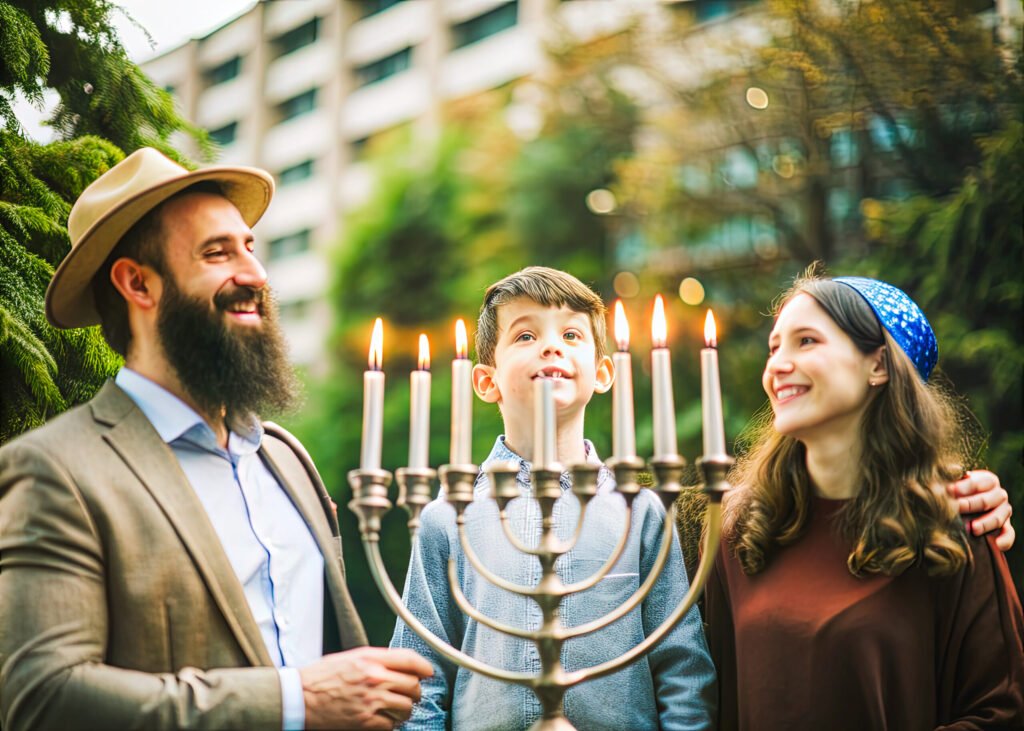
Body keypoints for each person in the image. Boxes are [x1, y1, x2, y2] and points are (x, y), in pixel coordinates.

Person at [0, 148, 432, 731]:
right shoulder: (55, 470)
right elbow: (44, 696)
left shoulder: (285, 457)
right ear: (137, 283)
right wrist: (294, 701)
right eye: (217, 253)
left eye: (249, 248)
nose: (254, 274)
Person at [391, 267, 716, 730]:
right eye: (525, 335)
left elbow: (682, 669)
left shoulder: (641, 511)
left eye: (570, 333)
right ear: (486, 382)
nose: (551, 346)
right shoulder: (448, 516)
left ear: (604, 373)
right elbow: (420, 677)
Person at [704, 271, 1024, 730]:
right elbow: (713, 706)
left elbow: (1002, 711)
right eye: (774, 348)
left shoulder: (955, 523)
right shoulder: (740, 530)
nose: (777, 365)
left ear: (879, 365)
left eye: (806, 341)